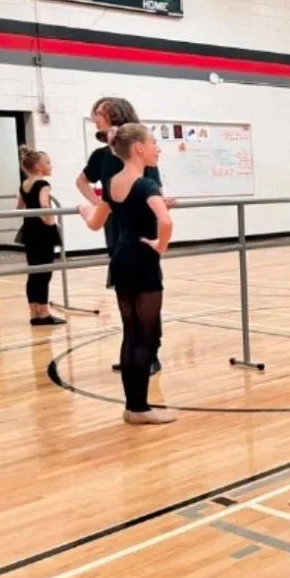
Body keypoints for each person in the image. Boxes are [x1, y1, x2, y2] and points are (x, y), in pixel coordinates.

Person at [78, 123, 175, 425]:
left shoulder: (111, 183)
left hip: (121, 259)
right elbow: (165, 221)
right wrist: (160, 245)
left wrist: (83, 210)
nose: (158, 149)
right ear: (138, 148)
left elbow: (95, 223)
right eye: (154, 143)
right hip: (143, 261)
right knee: (145, 336)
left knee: (131, 334)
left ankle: (133, 407)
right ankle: (139, 409)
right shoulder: (145, 185)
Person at [16, 145, 65, 326]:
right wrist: (50, 222)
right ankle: (44, 313)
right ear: (38, 167)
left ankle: (34, 312)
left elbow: (18, 208)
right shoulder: (43, 184)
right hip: (43, 230)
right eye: (48, 163)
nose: (51, 166)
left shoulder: (24, 184)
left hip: (29, 229)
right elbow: (44, 205)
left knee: (33, 271)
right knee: (44, 272)